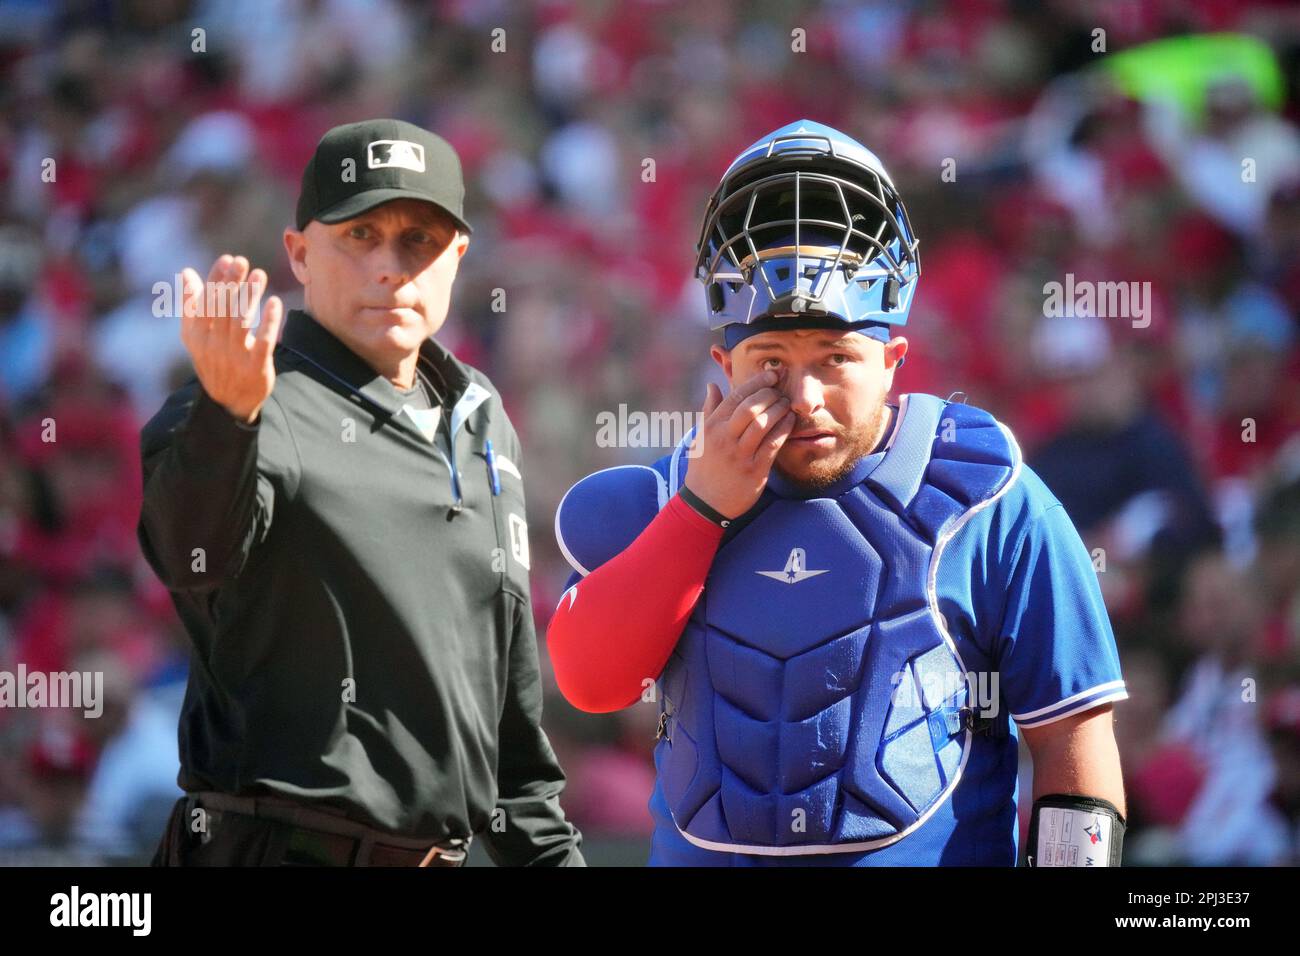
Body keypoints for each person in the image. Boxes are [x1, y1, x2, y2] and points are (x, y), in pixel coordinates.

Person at [547, 120, 1128, 866]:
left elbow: (1074, 742)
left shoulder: (991, 501)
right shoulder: (662, 497)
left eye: (836, 357)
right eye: (771, 360)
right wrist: (701, 510)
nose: (807, 395)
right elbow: (591, 683)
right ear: (723, 362)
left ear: (893, 360)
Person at [139, 118, 583, 866]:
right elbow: (190, 558)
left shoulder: (483, 420)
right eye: (360, 235)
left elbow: (509, 747)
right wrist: (228, 417)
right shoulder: (250, 395)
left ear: (457, 260)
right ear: (300, 254)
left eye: (419, 241)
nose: (390, 266)